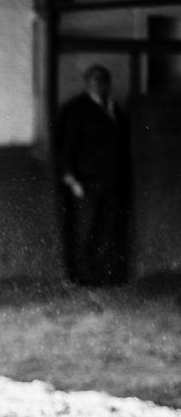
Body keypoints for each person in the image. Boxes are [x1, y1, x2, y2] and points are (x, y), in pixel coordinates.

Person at [57, 64, 131, 286]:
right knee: (85, 230)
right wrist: (71, 180)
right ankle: (81, 277)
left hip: (112, 181)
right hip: (86, 183)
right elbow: (65, 146)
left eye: (102, 80)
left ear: (108, 83)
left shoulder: (113, 107)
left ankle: (103, 276)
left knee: (108, 230)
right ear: (87, 83)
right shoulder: (75, 109)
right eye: (93, 80)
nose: (98, 84)